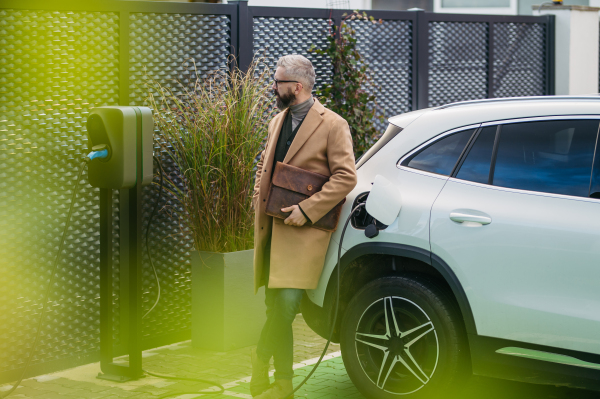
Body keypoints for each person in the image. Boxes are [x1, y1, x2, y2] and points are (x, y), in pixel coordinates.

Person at [249, 54, 358, 399]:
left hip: (303, 234)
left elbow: (346, 177)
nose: (273, 87)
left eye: (278, 82)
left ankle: (259, 358)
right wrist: (257, 198)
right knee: (273, 308)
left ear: (295, 87)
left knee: (286, 307)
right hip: (271, 231)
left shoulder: (333, 124)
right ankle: (283, 383)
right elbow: (264, 169)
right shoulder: (276, 121)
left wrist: (308, 211)